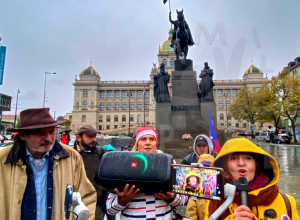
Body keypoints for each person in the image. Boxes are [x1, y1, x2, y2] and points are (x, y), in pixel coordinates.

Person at [0, 108, 96, 220]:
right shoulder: (3, 160)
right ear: (22, 135)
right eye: (40, 133)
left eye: (51, 131)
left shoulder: (71, 157)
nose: (48, 138)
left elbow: (86, 198)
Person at [199, 138, 299, 220]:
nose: (241, 163)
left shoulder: (287, 202)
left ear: (256, 164)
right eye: (233, 158)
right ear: (225, 167)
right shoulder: (215, 203)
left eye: (247, 158)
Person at [106, 127, 188, 219]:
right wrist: (123, 200)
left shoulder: (170, 164)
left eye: (152, 139)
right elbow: (110, 209)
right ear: (137, 144)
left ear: (156, 143)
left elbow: (183, 199)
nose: (148, 142)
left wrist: (172, 197)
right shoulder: (124, 164)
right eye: (143, 139)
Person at [74, 124, 114, 220]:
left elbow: (112, 173)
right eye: (89, 137)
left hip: (98, 202)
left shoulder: (101, 152)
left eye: (94, 136)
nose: (93, 139)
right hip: (77, 203)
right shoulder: (72, 155)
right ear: (78, 137)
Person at [185, 154, 215, 220]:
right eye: (203, 170)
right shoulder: (195, 193)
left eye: (208, 169)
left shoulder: (217, 189)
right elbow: (190, 214)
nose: (206, 173)